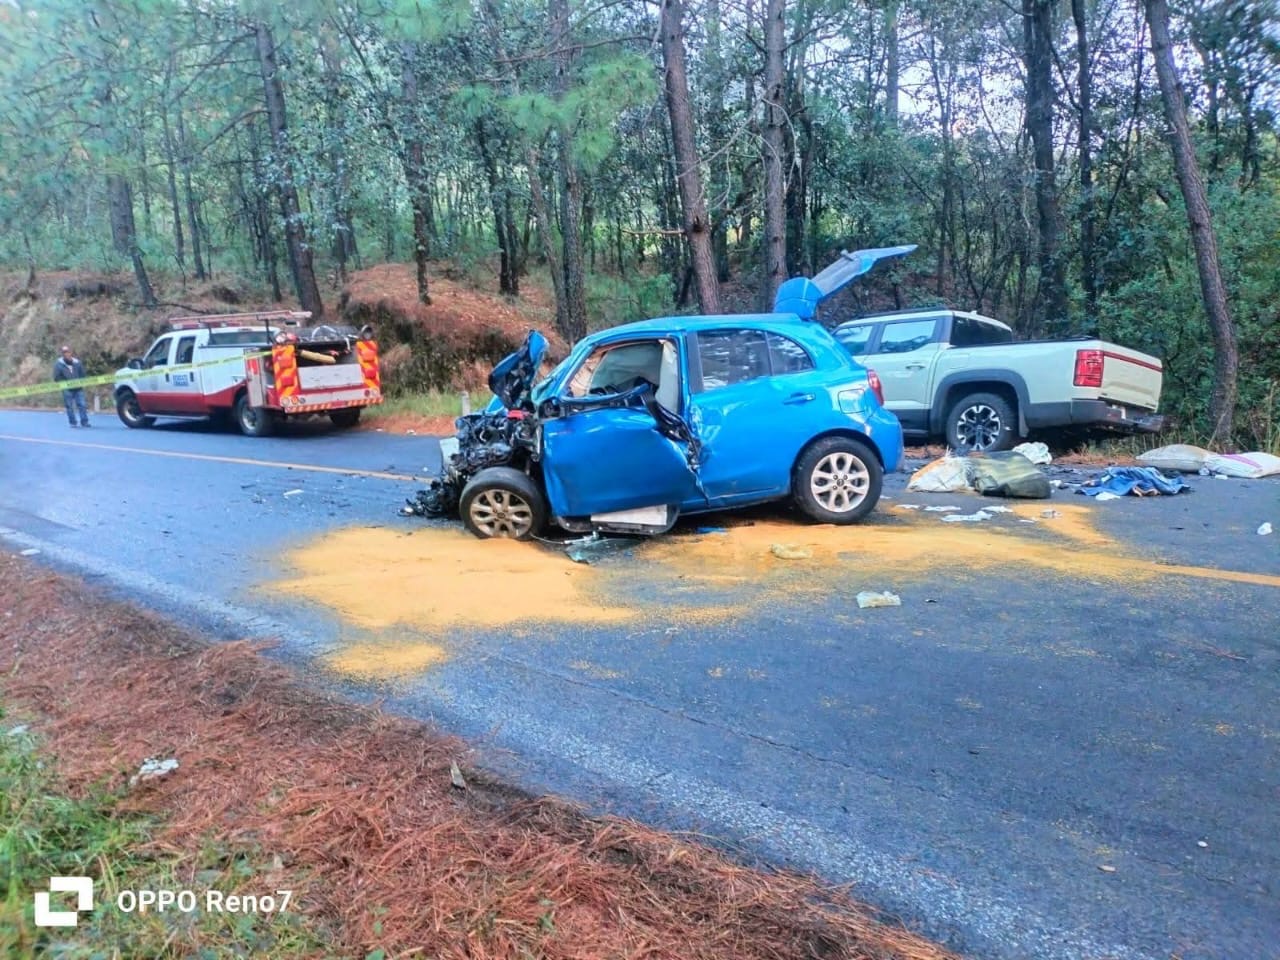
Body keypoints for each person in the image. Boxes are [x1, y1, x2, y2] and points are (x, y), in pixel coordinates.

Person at [53, 345, 90, 427]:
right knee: (69, 406)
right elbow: (56, 377)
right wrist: (65, 384)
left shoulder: (77, 363)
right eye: (64, 353)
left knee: (82, 405)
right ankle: (73, 422)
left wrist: (82, 382)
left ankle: (84, 422)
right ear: (62, 354)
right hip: (67, 389)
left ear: (71, 353)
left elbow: (82, 374)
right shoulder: (58, 364)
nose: (66, 354)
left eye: (67, 352)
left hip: (78, 388)